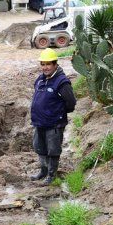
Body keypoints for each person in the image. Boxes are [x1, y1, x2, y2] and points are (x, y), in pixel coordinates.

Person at [30, 48, 76, 184]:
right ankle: (43, 171)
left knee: (53, 150)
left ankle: (51, 175)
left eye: (48, 64)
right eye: (43, 64)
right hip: (39, 122)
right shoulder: (40, 80)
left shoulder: (62, 82)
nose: (45, 67)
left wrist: (57, 114)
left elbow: (71, 103)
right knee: (40, 147)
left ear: (55, 64)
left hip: (54, 124)